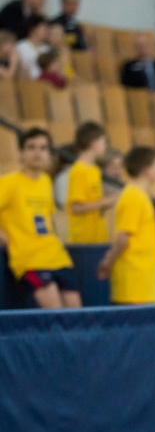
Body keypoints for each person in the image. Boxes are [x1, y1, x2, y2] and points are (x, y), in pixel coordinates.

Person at [0, 128, 80, 308]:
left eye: (43, 148)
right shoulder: (9, 183)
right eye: (31, 148)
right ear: (21, 153)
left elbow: (48, 219)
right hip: (30, 259)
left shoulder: (45, 181)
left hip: (56, 256)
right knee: (55, 312)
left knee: (76, 312)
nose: (38, 153)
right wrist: (4, 237)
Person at [97, 147, 155, 305]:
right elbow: (123, 236)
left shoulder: (139, 195)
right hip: (133, 282)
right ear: (147, 170)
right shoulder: (133, 196)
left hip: (142, 280)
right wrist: (109, 263)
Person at [66, 122, 119, 243]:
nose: (105, 146)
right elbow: (76, 208)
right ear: (93, 143)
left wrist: (113, 200)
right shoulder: (79, 171)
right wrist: (105, 201)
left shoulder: (94, 170)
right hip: (84, 240)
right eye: (103, 142)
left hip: (98, 237)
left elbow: (95, 204)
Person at [15, 14, 49, 80]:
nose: (46, 31)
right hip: (25, 82)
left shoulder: (47, 49)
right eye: (43, 28)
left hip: (44, 82)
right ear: (32, 29)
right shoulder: (21, 47)